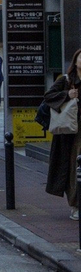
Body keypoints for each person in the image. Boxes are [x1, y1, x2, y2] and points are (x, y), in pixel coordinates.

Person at [43, 48, 81, 219]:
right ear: (75, 61)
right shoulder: (66, 80)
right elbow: (48, 96)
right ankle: (75, 204)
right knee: (74, 167)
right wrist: (67, 94)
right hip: (71, 132)